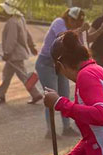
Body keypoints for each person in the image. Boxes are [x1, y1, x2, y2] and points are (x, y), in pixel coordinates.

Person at [34, 7, 86, 137]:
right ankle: (50, 131)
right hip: (46, 63)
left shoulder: (76, 31)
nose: (76, 25)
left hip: (60, 64)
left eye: (79, 23)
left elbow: (80, 48)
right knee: (51, 96)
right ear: (69, 18)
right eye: (75, 22)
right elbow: (63, 37)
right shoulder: (59, 22)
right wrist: (80, 30)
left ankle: (66, 127)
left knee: (64, 95)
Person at [0, 0, 43, 104]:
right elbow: (27, 33)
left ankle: (35, 94)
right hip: (17, 54)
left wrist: (7, 53)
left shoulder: (12, 22)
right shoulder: (20, 19)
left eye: (4, 10)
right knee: (7, 74)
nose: (2, 12)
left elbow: (11, 39)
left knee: (22, 76)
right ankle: (1, 94)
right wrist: (31, 45)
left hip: (15, 54)